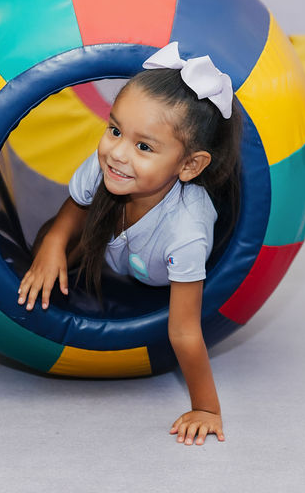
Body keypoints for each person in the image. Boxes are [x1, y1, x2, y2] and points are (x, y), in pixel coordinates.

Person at [17, 42, 243, 446]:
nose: (117, 153)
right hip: (109, 252)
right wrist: (53, 244)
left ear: (189, 165)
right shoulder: (107, 166)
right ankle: (41, 286)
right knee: (52, 237)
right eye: (115, 129)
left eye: (144, 146)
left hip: (156, 276)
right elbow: (76, 208)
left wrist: (206, 408)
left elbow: (185, 331)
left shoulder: (187, 232)